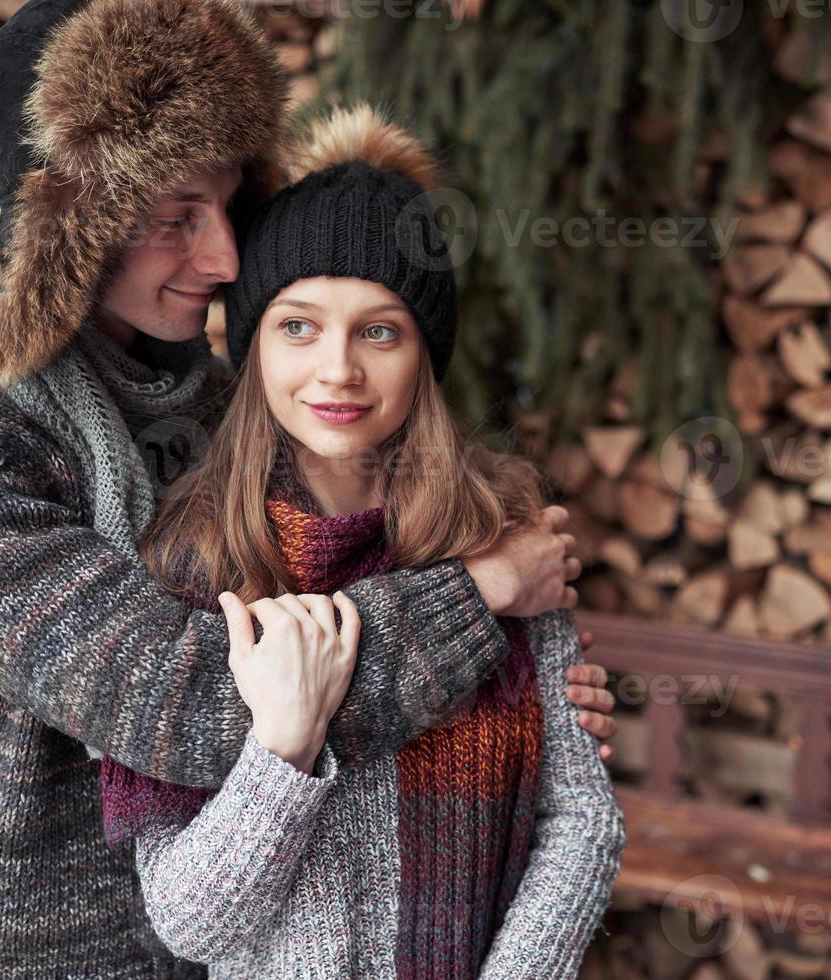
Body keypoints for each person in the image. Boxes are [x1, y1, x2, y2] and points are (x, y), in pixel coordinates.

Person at [0, 1, 616, 976]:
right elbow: (198, 699)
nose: (225, 258)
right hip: (36, 953)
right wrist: (482, 596)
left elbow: (350, 604)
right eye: (173, 219)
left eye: (227, 205)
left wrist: (520, 702)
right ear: (63, 229)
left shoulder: (222, 403)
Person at [101, 103, 625, 980]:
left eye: (379, 330)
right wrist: (284, 750)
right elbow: (185, 920)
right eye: (297, 325)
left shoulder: (504, 532)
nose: (337, 368)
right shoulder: (193, 562)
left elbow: (583, 819)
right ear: (254, 344)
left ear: (425, 352)